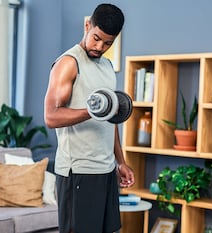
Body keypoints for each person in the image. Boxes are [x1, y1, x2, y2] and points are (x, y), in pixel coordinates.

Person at [44, 3, 135, 233]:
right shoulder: (68, 63)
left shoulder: (106, 66)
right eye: (96, 38)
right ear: (87, 25)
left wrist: (120, 162)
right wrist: (92, 111)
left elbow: (110, 119)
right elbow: (51, 116)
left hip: (104, 170)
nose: (100, 46)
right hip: (78, 171)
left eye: (108, 43)